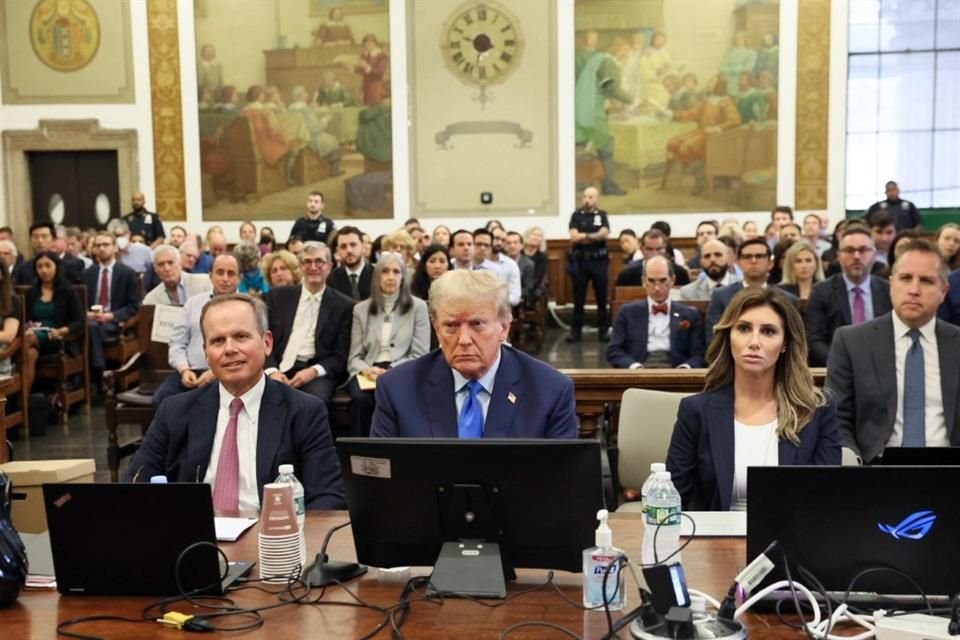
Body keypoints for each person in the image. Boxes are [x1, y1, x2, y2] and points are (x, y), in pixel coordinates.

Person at [124, 294, 346, 510]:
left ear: (266, 343)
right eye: (218, 341)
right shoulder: (174, 411)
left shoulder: (304, 412)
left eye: (241, 336)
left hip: (271, 539)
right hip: (198, 539)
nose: (229, 349)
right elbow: (135, 486)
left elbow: (328, 497)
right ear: (206, 352)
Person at [666, 287, 840, 511]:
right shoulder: (696, 411)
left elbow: (827, 497)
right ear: (729, 336)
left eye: (768, 331)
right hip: (715, 541)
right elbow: (670, 499)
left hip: (794, 540)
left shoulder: (817, 410)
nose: (754, 342)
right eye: (744, 328)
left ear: (785, 343)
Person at [371, 270, 577, 439]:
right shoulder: (397, 389)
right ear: (436, 328)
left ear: (503, 328)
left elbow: (562, 482)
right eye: (451, 326)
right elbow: (381, 480)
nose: (464, 339)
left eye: (477, 324)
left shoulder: (549, 391)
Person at [826, 239, 960, 464]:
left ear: (944, 291)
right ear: (891, 284)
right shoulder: (851, 341)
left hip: (952, 473)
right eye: (906, 278)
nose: (914, 290)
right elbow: (838, 418)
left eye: (926, 281)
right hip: (874, 473)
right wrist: (852, 463)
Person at [346, 253, 430, 437]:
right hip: (368, 370)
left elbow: (420, 353)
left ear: (403, 277)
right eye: (385, 271)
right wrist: (367, 370)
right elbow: (354, 357)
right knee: (361, 400)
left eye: (396, 272)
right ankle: (359, 454)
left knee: (399, 395)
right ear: (377, 277)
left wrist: (392, 369)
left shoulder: (418, 307)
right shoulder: (361, 309)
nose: (391, 277)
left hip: (403, 367)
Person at [263, 242, 354, 408]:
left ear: (329, 266)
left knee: (313, 404)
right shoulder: (277, 298)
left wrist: (313, 371)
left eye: (319, 261)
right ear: (300, 266)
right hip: (278, 367)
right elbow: (263, 341)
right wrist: (271, 371)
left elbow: (340, 356)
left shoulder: (344, 306)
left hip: (316, 372)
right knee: (266, 398)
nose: (313, 267)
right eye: (307, 262)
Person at [153, 254, 241, 407]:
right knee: (162, 400)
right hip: (190, 372)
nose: (225, 278)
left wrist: (215, 373)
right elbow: (177, 342)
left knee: (205, 406)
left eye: (231, 273)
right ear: (210, 276)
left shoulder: (247, 308)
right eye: (220, 272)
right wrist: (184, 370)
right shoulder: (193, 303)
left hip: (230, 374)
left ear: (239, 278)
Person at [805, 226, 892, 366]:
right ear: (839, 256)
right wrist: (842, 364)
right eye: (850, 250)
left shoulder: (889, 291)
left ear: (874, 255)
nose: (856, 256)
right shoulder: (821, 292)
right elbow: (814, 340)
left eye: (863, 250)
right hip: (837, 369)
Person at [607, 256, 705, 369]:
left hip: (677, 370)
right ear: (643, 281)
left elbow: (699, 354)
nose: (657, 288)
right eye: (651, 281)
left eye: (663, 280)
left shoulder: (690, 314)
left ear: (672, 280)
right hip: (637, 370)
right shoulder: (627, 312)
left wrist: (685, 368)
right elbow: (613, 350)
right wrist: (633, 366)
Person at [575, 30, 637, 195]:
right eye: (626, 51)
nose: (626, 56)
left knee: (581, 146)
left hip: (580, 109)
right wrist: (631, 100)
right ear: (621, 49)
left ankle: (579, 184)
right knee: (606, 148)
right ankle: (608, 186)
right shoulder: (607, 61)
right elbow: (611, 87)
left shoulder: (594, 58)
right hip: (593, 111)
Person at [706, 238, 798, 344]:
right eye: (747, 257)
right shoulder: (721, 296)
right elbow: (714, 338)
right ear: (739, 263)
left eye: (759, 256)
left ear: (770, 263)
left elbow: (793, 340)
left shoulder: (787, 299)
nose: (753, 261)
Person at [23, 252, 84, 397]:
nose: (43, 270)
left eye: (47, 266)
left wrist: (62, 330)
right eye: (39, 267)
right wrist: (28, 325)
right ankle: (23, 404)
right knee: (29, 355)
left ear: (56, 267)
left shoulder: (68, 291)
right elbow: (25, 320)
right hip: (34, 337)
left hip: (58, 338)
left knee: (26, 340)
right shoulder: (32, 292)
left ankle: (7, 367)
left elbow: (80, 322)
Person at [82, 232, 141, 382]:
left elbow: (134, 306)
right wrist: (87, 314)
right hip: (90, 321)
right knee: (90, 327)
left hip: (113, 322)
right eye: (97, 245)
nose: (101, 248)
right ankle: (99, 374)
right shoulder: (87, 274)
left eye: (106, 245)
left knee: (91, 329)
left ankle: (96, 375)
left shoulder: (128, 273)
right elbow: (80, 303)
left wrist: (111, 316)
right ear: (93, 249)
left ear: (115, 248)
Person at [567, 187, 610, 342]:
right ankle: (575, 332)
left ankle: (603, 331)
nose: (587, 199)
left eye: (591, 197)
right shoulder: (576, 215)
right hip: (580, 261)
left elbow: (604, 233)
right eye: (585, 196)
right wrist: (593, 236)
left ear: (596, 198)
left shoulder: (602, 215)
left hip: (599, 261)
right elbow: (573, 236)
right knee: (578, 298)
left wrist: (583, 236)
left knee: (601, 298)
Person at [14, 222, 84, 286]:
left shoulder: (70, 266)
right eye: (35, 237)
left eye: (44, 237)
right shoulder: (23, 269)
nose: (40, 241)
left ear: (53, 240)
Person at [616, 229, 692, 287]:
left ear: (665, 249)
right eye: (649, 249)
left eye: (659, 249)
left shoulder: (680, 273)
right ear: (642, 249)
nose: (654, 253)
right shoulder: (626, 275)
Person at [142, 244, 212, 306]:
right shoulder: (151, 300)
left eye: (170, 263)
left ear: (180, 263)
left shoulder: (204, 283)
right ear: (155, 270)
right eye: (161, 264)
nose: (167, 268)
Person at [677, 239, 742, 300]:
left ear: (728, 259)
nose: (712, 260)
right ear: (701, 262)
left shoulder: (743, 287)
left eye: (718, 255)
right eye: (707, 256)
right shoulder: (688, 292)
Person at [328, 226, 372, 300]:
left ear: (363, 246)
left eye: (353, 245)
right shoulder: (331, 279)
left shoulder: (377, 275)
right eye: (343, 246)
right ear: (337, 250)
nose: (349, 250)